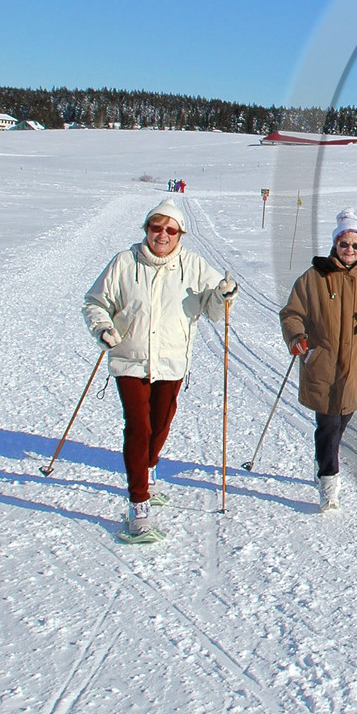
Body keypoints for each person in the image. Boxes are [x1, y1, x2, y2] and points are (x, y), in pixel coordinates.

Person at [83, 199, 237, 539]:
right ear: (146, 230)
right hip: (129, 356)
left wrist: (225, 295)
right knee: (138, 426)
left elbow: (212, 310)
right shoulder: (124, 262)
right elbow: (95, 302)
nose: (162, 235)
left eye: (170, 229)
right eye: (156, 228)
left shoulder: (194, 265)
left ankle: (148, 471)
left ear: (180, 233)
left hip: (171, 360)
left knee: (161, 424)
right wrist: (102, 328)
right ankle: (139, 505)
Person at [279, 209, 357, 510]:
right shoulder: (314, 277)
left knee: (341, 423)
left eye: (356, 245)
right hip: (321, 364)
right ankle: (328, 480)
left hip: (356, 369)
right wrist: (297, 338)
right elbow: (292, 313)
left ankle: (325, 461)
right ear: (335, 244)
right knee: (328, 425)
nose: (349, 250)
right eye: (344, 244)